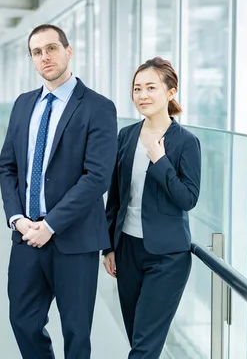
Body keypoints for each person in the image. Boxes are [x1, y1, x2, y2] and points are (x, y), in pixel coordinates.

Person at [0, 24, 118, 359]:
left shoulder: (98, 107)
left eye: (51, 48)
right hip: (26, 236)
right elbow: (7, 167)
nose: (45, 57)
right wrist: (18, 219)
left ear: (69, 50)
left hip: (73, 239)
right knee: (22, 320)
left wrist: (51, 226)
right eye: (37, 52)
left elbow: (96, 178)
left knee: (76, 332)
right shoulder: (23, 104)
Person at [103, 57, 201, 358]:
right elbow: (116, 197)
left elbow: (188, 198)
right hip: (128, 251)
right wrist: (108, 247)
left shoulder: (186, 141)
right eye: (137, 89)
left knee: (144, 346)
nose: (142, 95)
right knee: (138, 338)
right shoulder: (126, 136)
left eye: (150, 88)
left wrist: (160, 161)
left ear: (170, 93)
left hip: (168, 257)